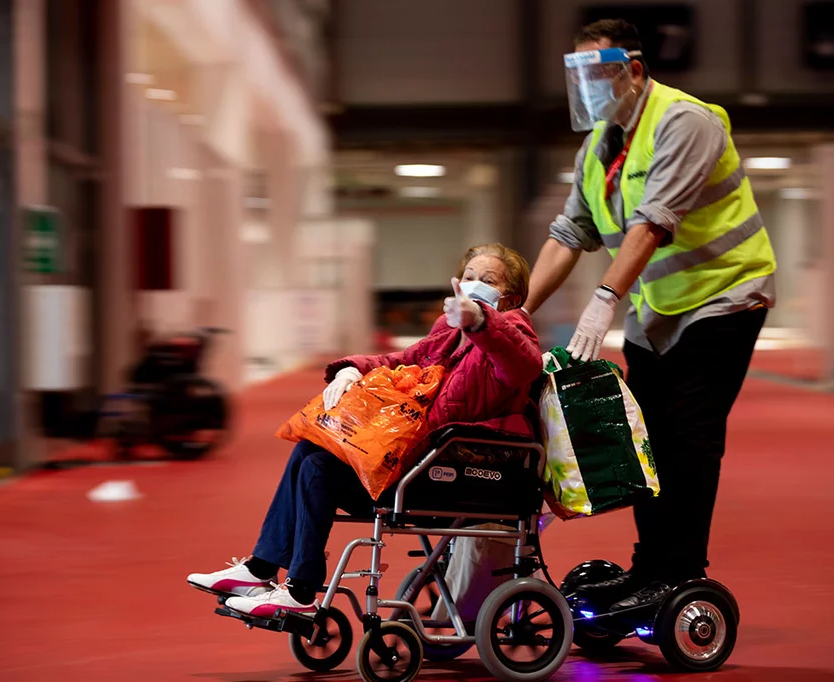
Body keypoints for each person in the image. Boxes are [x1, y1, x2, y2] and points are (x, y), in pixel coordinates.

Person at [522, 19, 777, 612]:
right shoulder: (596, 149)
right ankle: (649, 569)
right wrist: (515, 313)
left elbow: (654, 222)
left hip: (723, 298)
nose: (588, 90)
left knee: (688, 439)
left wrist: (603, 298)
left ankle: (681, 571)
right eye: (579, 77)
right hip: (657, 314)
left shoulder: (686, 121)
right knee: (645, 445)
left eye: (600, 75)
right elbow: (567, 236)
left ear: (634, 71)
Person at [187, 244, 543, 618]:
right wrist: (353, 368)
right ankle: (260, 570)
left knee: (318, 472)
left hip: (449, 472)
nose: (472, 286)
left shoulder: (514, 330)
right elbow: (402, 359)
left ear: (511, 298)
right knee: (310, 447)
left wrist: (482, 322)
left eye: (487, 281)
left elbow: (523, 363)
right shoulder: (447, 331)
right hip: (417, 462)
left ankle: (300, 589)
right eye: (468, 277)